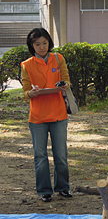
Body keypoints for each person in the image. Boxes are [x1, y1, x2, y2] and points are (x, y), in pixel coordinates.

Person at [21, 28, 72, 202]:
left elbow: (66, 78)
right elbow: (25, 91)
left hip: (58, 113)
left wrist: (65, 85)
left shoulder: (58, 59)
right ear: (31, 45)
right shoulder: (26, 65)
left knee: (61, 155)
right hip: (37, 117)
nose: (42, 47)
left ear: (49, 42)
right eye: (37, 44)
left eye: (45, 43)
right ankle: (44, 191)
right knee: (40, 156)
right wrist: (31, 94)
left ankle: (63, 188)